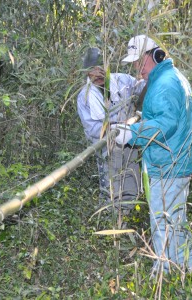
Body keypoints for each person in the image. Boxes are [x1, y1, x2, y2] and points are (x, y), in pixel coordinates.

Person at [112, 35, 192, 275]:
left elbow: (164, 124)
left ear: (156, 55)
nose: (137, 69)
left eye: (140, 62)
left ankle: (163, 272)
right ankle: (187, 268)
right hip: (174, 162)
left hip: (167, 165)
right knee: (175, 221)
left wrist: (132, 133)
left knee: (162, 222)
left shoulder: (165, 84)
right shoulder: (170, 78)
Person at [77, 47, 143, 216]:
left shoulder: (122, 81)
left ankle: (128, 222)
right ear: (86, 72)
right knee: (111, 193)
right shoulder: (84, 96)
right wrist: (119, 126)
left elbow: (141, 88)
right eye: (92, 70)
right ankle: (110, 227)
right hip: (107, 149)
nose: (97, 74)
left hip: (130, 148)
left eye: (101, 69)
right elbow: (93, 128)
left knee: (132, 189)